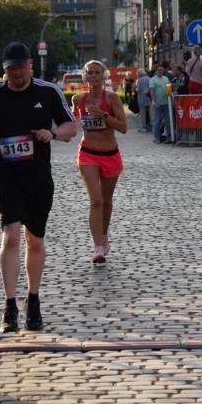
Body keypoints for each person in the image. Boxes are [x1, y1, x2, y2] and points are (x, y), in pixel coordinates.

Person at [0, 42, 77, 333]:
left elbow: (70, 127)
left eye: (20, 66)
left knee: (35, 241)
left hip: (38, 177)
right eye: (10, 68)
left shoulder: (47, 91)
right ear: (4, 70)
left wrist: (50, 133)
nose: (16, 73)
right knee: (11, 237)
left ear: (31, 65)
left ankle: (34, 299)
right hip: (5, 173)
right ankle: (10, 305)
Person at [72, 60, 128, 264]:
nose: (93, 76)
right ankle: (97, 248)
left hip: (110, 154)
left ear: (102, 76)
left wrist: (103, 115)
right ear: (85, 77)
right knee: (95, 200)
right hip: (87, 153)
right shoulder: (79, 99)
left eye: (97, 72)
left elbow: (123, 127)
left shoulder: (111, 98)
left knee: (106, 201)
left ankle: (104, 236)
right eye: (90, 73)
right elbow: (75, 122)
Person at [149, 63, 170, 144]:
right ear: (156, 70)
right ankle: (156, 137)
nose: (160, 71)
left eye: (162, 69)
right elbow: (152, 92)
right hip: (158, 104)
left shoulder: (166, 78)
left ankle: (169, 136)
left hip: (166, 103)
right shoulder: (153, 80)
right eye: (159, 70)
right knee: (157, 121)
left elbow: (169, 89)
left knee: (168, 120)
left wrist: (170, 98)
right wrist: (155, 102)